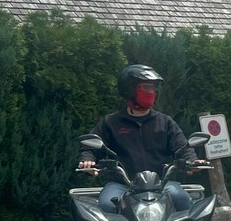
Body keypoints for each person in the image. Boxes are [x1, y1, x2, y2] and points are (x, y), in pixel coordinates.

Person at [78, 64, 204, 213]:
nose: (151, 92)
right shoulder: (111, 122)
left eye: (152, 88)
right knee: (107, 205)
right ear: (129, 89)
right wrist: (87, 159)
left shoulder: (165, 122)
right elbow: (91, 146)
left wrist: (192, 161)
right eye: (145, 87)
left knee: (181, 199)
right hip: (122, 184)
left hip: (161, 184)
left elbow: (183, 147)